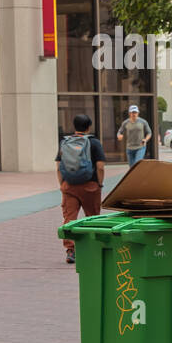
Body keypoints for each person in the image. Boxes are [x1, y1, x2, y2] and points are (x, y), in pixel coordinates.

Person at [58, 113, 106, 265]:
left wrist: (62, 184)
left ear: (74, 126)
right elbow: (100, 166)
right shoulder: (94, 142)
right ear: (88, 127)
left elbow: (58, 167)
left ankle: (71, 251)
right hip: (90, 186)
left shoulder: (65, 142)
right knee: (92, 217)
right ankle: (92, 249)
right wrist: (99, 183)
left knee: (69, 218)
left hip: (69, 186)